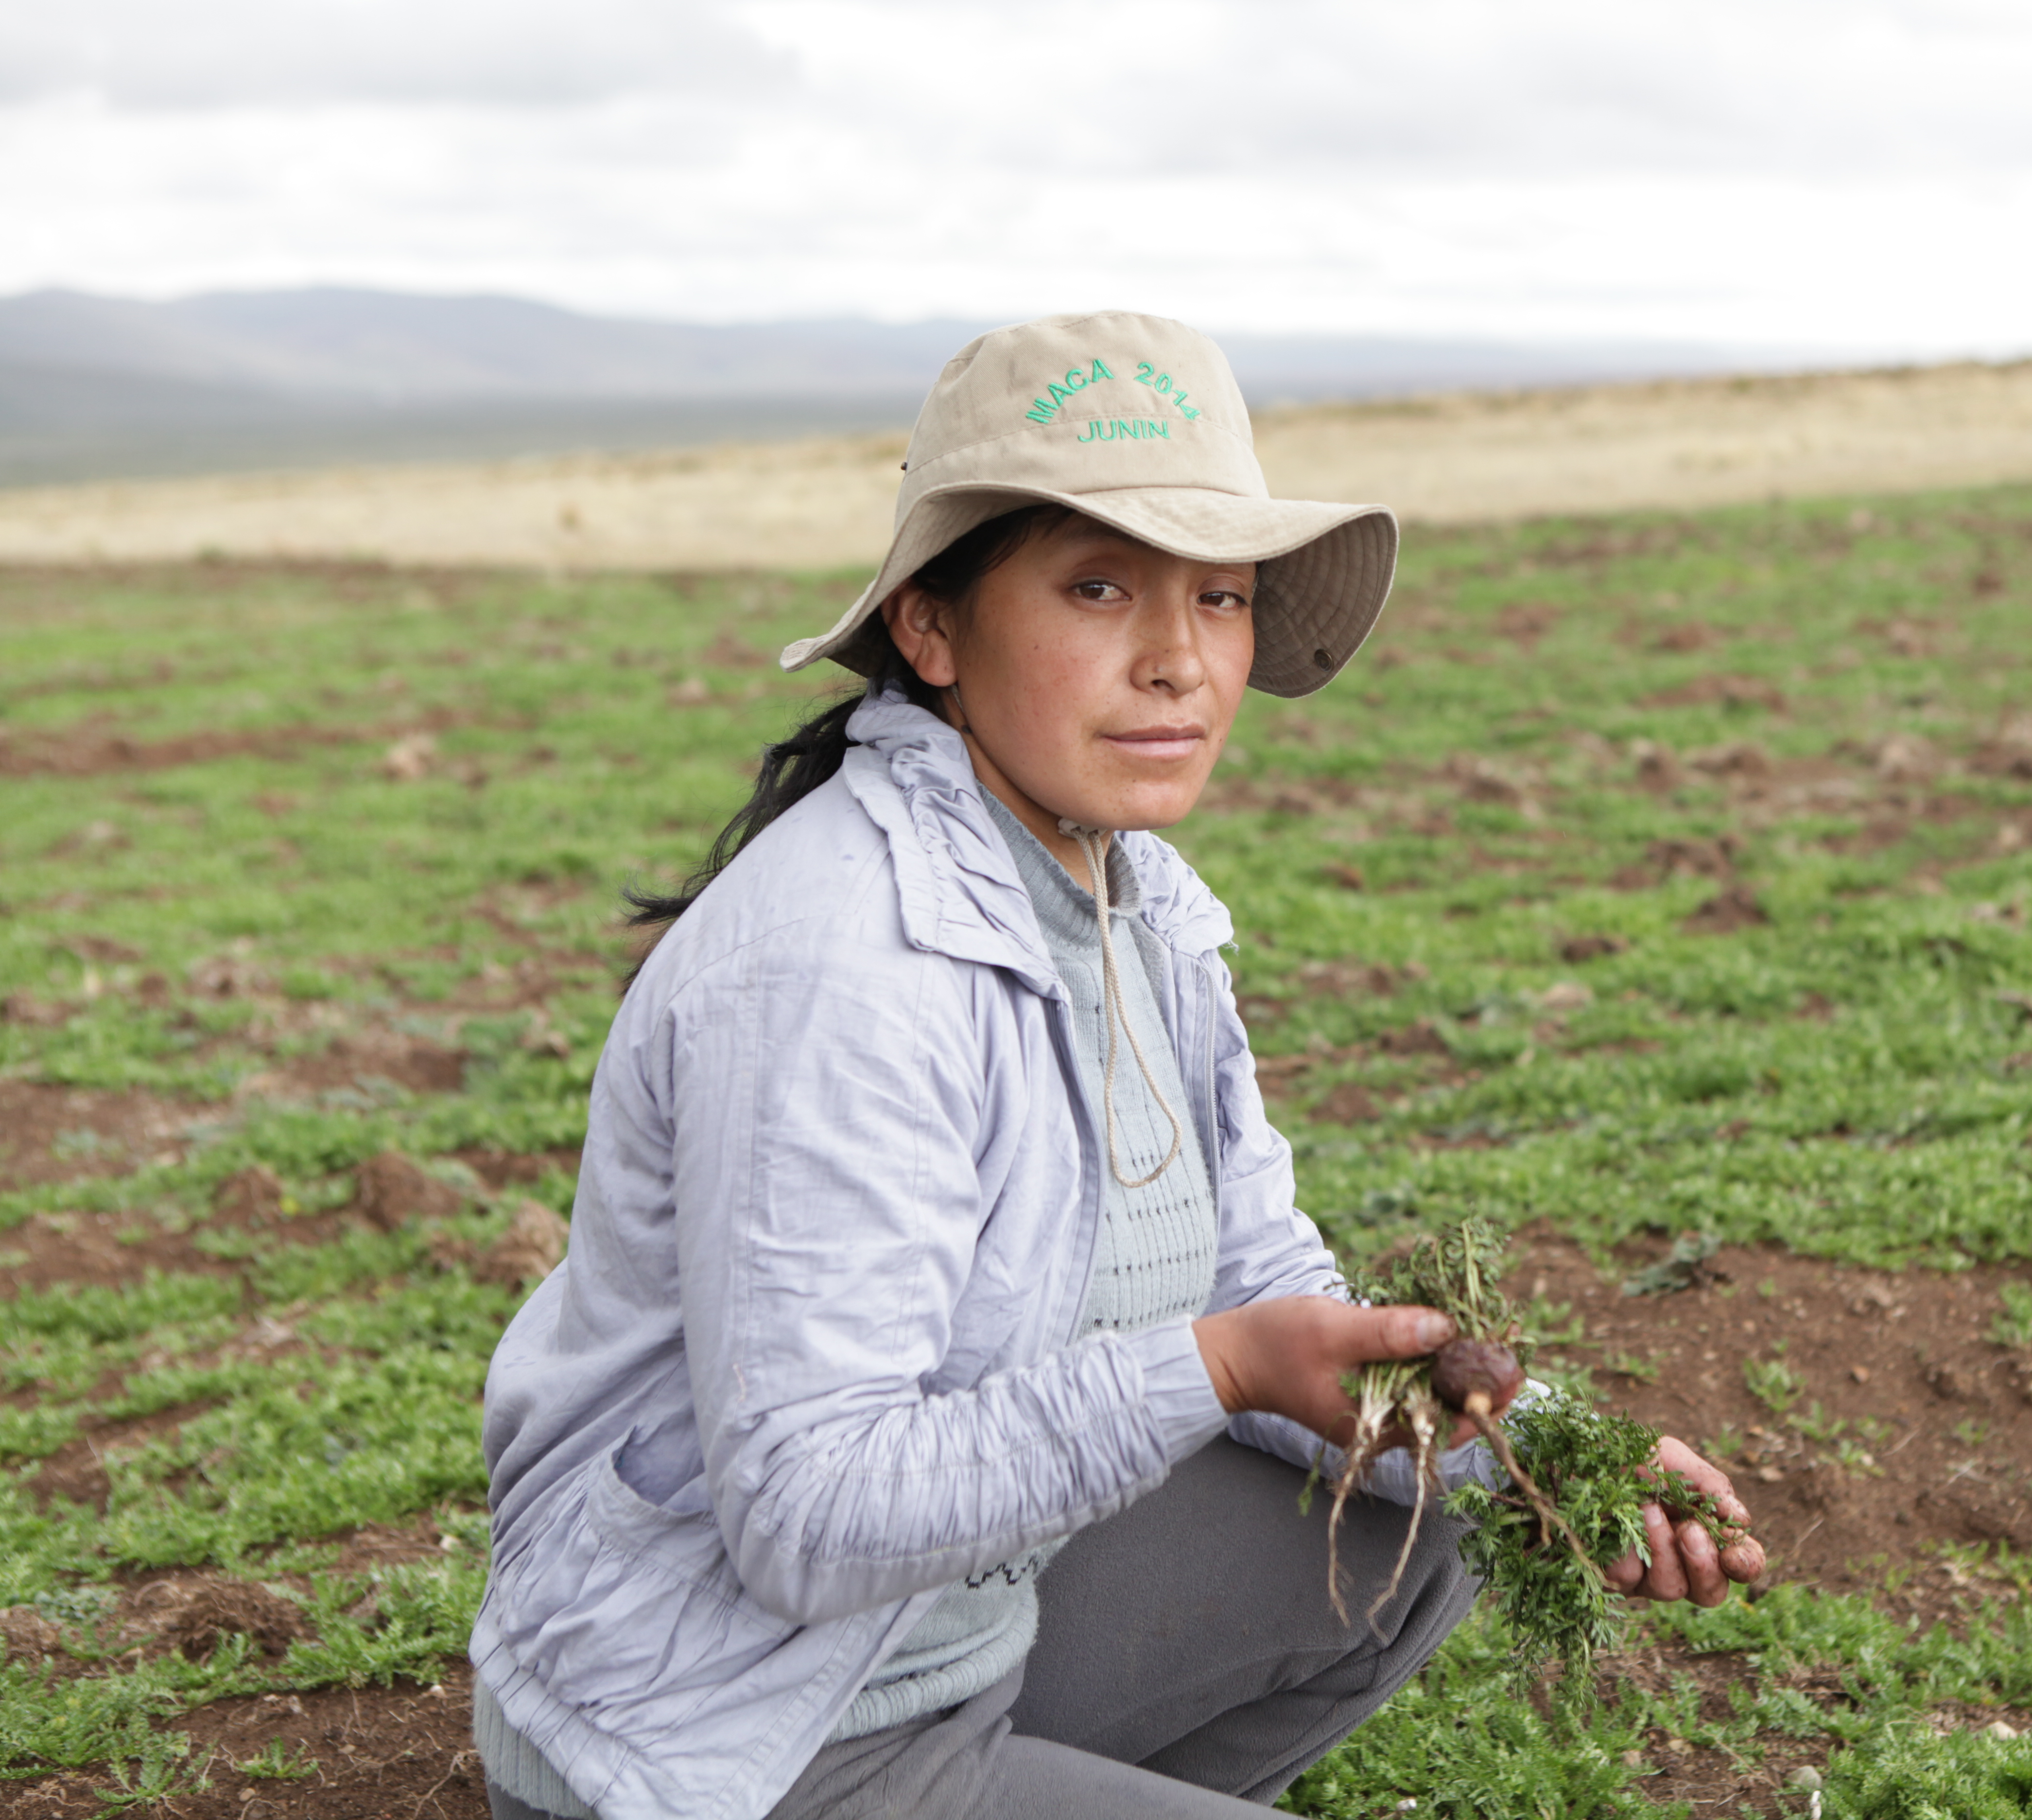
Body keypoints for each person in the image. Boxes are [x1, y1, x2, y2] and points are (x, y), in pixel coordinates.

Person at [468, 313, 1764, 1820]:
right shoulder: (845, 962)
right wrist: (1214, 1368)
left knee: (1413, 1516)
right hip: (735, 1743)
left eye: (1217, 597)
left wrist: (1552, 1460)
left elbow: (1259, 1269)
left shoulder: (1128, 902)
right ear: (931, 630)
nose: (1177, 660)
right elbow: (808, 1519)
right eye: (1098, 588)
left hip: (951, 1640)